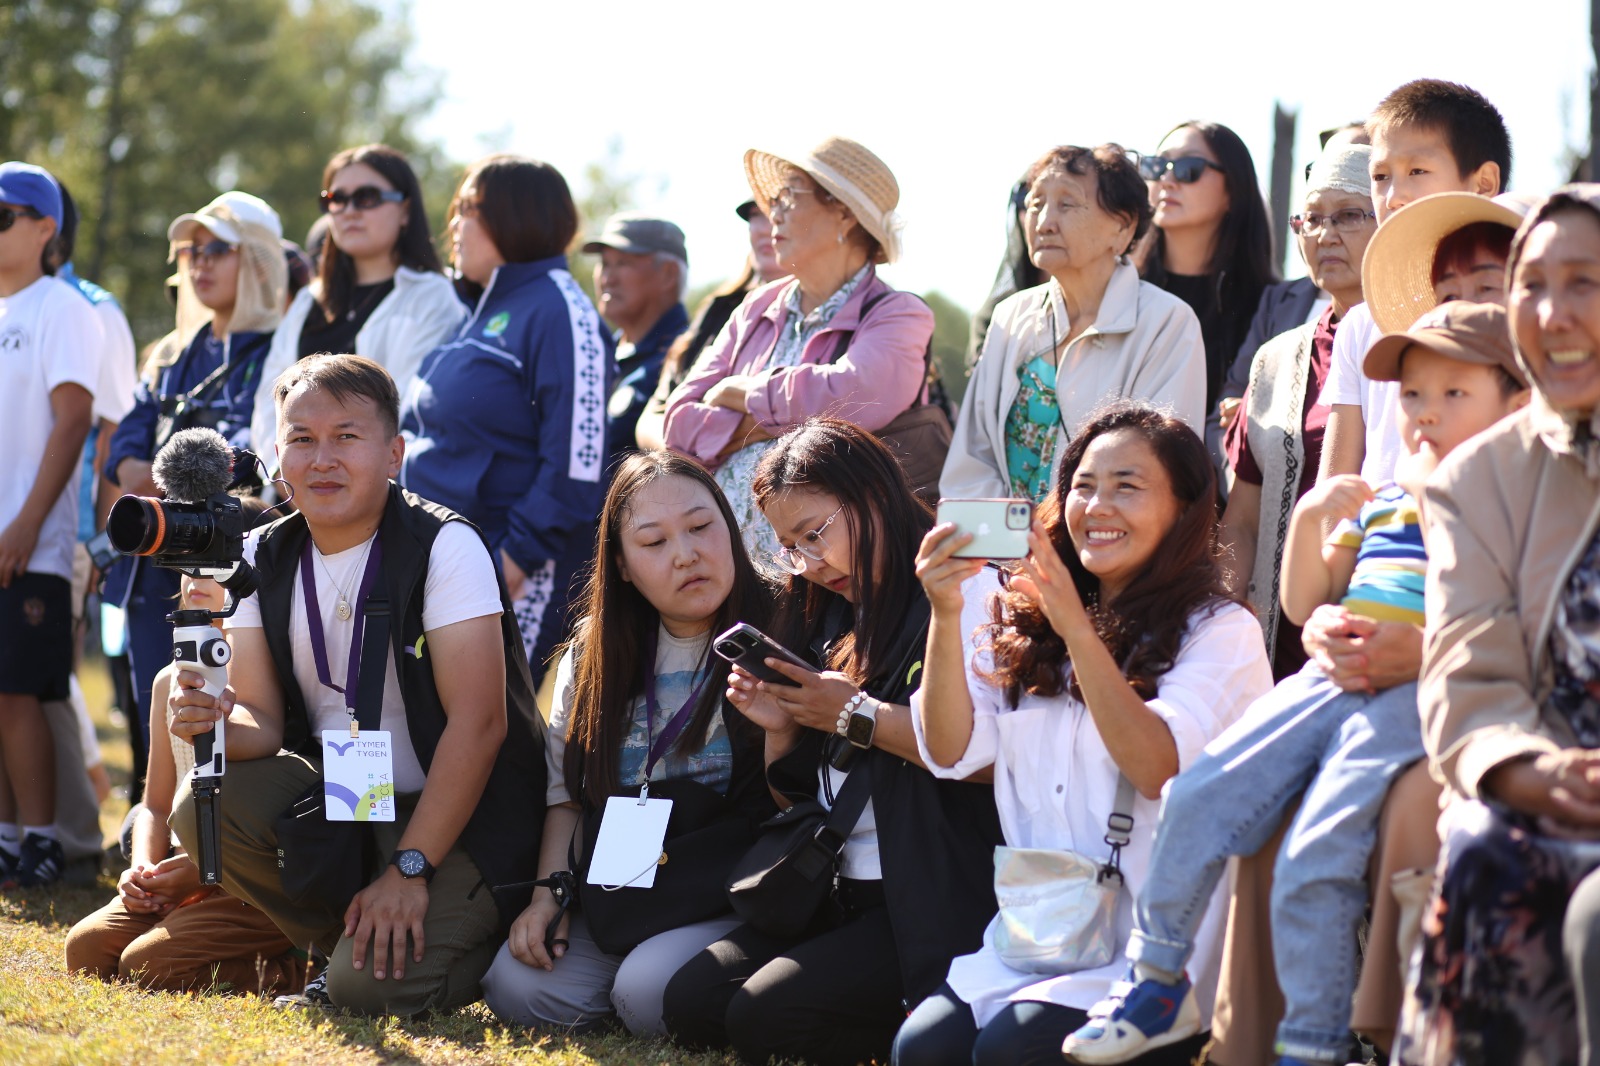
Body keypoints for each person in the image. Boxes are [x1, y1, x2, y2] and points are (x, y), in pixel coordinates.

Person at [1062, 303, 1528, 1066]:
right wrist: (1313, 517)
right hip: (1331, 676)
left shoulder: (1511, 501)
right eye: (1413, 395)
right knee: (1198, 793)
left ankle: (1310, 1043)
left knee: (1319, 847)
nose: (1426, 414)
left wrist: (1419, 643)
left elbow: (1508, 616)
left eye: (1455, 394)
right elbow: (1305, 599)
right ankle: (1156, 976)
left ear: (1515, 402)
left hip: (1417, 690)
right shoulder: (1385, 493)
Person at [165, 354, 546, 1015]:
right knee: (206, 799)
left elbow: (480, 726)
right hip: (353, 791)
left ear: (394, 453)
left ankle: (471, 940)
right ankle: (336, 947)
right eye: (301, 439)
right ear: (276, 453)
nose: (322, 459)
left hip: (466, 813)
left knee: (366, 992)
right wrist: (214, 721)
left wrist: (410, 867)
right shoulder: (258, 556)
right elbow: (263, 722)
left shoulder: (444, 545)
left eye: (347, 436)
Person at [893, 401, 1271, 1066]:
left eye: (1127, 486)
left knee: (1011, 1054)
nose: (1096, 506)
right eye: (1082, 486)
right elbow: (950, 752)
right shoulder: (1024, 621)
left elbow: (1157, 767)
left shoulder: (1221, 633)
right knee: (922, 1051)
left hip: (1162, 958)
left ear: (1185, 509)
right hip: (1042, 932)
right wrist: (945, 612)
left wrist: (1078, 629)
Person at [663, 418, 1003, 1066]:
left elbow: (980, 758)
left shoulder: (960, 588)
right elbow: (799, 798)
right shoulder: (827, 608)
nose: (810, 563)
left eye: (815, 534)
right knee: (692, 1002)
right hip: (831, 886)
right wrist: (784, 727)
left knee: (766, 1018)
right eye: (790, 547)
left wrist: (854, 713)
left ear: (873, 494)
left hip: (927, 897)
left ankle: (922, 1025)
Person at [1399, 184, 1600, 1065]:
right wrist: (1525, 770)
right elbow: (1465, 676)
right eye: (1533, 284)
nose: (1554, 314)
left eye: (1586, 282)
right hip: (1557, 792)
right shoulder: (1477, 481)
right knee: (1484, 849)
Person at [481, 452, 774, 1034]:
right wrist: (550, 899)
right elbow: (566, 796)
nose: (686, 554)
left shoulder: (785, 626)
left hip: (734, 885)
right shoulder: (596, 650)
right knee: (514, 987)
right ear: (621, 565)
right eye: (653, 542)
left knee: (646, 992)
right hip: (631, 884)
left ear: (730, 524)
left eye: (700, 526)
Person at [663, 137, 935, 561]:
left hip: (831, 582)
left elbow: (856, 395)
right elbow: (678, 421)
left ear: (844, 214)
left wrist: (744, 392)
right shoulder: (757, 305)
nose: (775, 211)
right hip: (729, 573)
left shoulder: (899, 314)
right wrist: (780, 415)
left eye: (789, 196)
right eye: (774, 199)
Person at [399, 155, 614, 687]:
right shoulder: (478, 310)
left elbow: (578, 462)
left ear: (517, 217)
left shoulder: (560, 309)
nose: (454, 223)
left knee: (501, 732)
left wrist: (512, 561)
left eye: (469, 209)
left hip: (512, 569)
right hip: (436, 558)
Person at [102, 190, 287, 802]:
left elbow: (266, 461)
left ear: (258, 260)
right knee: (150, 690)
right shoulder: (171, 355)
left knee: (214, 696)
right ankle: (147, 811)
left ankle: (204, 826)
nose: (198, 263)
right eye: (190, 251)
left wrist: (162, 473)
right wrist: (163, 475)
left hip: (233, 561)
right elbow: (124, 448)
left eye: (217, 249)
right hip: (156, 551)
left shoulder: (284, 349)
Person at [65, 564, 305, 994]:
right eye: (189, 569)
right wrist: (141, 869)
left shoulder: (269, 679)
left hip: (244, 885)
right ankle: (193, 932)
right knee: (87, 949)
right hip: (174, 876)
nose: (196, 580)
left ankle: (299, 971)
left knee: (146, 966)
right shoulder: (166, 683)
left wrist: (197, 875)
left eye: (216, 569)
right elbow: (155, 804)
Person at [942, 145, 1206, 503]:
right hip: (1001, 549)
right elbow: (972, 462)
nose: (1045, 221)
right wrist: (1004, 547)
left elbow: (1161, 470)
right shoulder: (1010, 317)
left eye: (1067, 205)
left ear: (1122, 227)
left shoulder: (1167, 323)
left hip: (1105, 544)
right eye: (1035, 204)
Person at [1219, 144, 1377, 679]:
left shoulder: (1419, 346)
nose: (1324, 234)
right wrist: (1217, 622)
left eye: (1350, 215)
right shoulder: (1277, 358)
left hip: (1383, 635)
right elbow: (1241, 519)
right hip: (1277, 648)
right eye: (1310, 218)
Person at [0, 161, 99, 889]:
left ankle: (42, 840)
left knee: (18, 692)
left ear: (44, 227)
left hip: (27, 540)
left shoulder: (60, 307)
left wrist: (25, 526)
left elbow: (74, 423)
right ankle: (6, 837)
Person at [249, 144, 465, 463]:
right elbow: (269, 402)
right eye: (336, 199)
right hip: (292, 494)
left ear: (406, 210)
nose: (349, 211)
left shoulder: (432, 296)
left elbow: (405, 409)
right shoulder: (309, 300)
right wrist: (284, 474)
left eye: (367, 198)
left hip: (386, 498)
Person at [1139, 121, 1277, 471]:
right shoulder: (1120, 293)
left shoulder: (1270, 308)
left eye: (1188, 169)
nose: (1167, 180)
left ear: (1233, 190)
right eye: (1157, 166)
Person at [635, 200, 785, 452]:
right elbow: (650, 419)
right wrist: (693, 464)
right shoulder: (721, 309)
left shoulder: (850, 314)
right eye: (756, 214)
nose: (765, 227)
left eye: (779, 211)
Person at [583, 213, 690, 469]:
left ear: (668, 274)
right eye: (605, 264)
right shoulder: (595, 354)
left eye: (622, 263)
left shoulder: (690, 358)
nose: (607, 278)